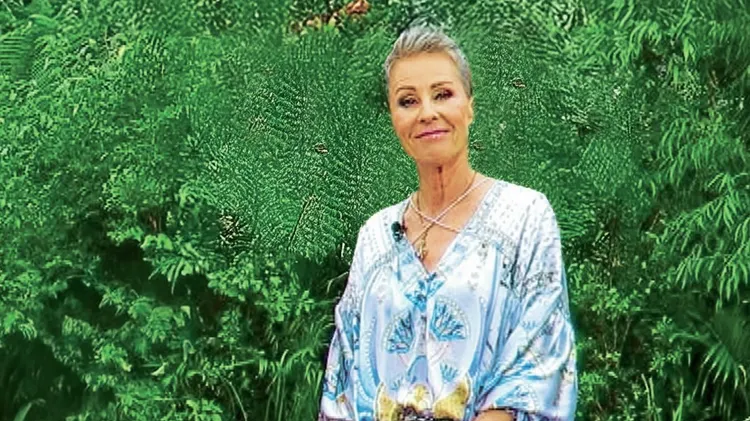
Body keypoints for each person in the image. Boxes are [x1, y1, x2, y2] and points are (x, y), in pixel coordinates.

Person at [318, 23, 577, 421]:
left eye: (442, 94)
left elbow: (537, 368)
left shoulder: (524, 216)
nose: (427, 113)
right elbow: (345, 381)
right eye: (408, 101)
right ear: (393, 118)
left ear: (469, 106)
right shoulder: (374, 237)